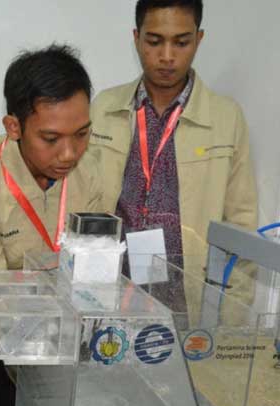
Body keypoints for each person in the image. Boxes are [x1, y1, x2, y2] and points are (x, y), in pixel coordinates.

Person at [0, 44, 102, 406]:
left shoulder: (92, 171)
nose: (69, 153)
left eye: (81, 134)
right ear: (13, 127)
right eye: (51, 139)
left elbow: (89, 266)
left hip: (45, 317)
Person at [86, 0, 257, 272]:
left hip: (190, 288)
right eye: (154, 42)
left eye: (181, 43)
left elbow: (241, 223)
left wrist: (232, 296)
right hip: (110, 281)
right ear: (136, 38)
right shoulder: (104, 108)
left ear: (199, 39)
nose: (167, 56)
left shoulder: (226, 118)